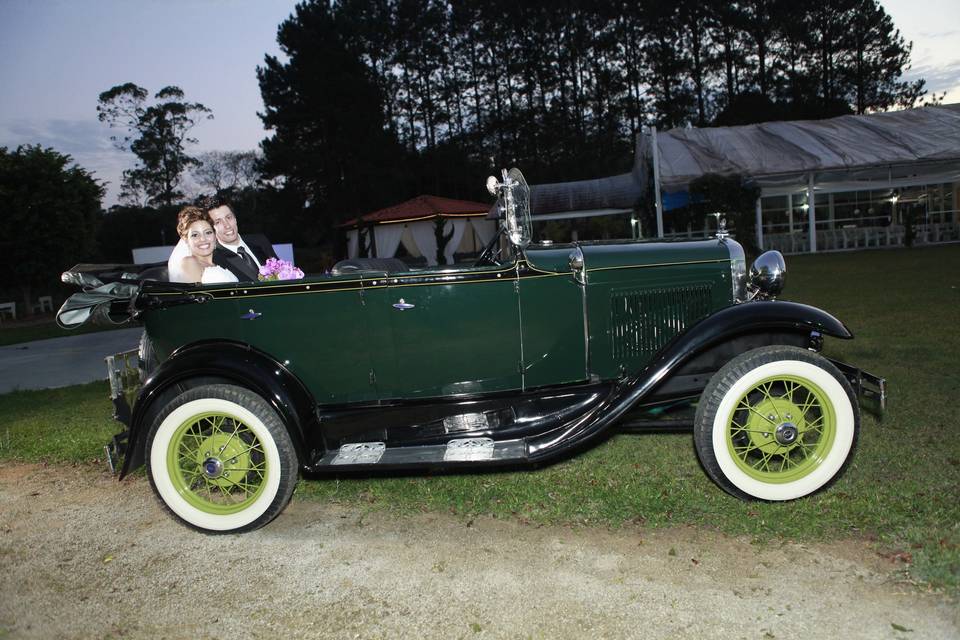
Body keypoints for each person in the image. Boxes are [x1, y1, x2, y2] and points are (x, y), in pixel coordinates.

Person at [206, 200, 277, 281]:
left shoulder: (260, 241)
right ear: (211, 229)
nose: (227, 225)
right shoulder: (215, 259)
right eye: (218, 222)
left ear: (235, 219)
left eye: (229, 217)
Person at [170, 206, 238, 284]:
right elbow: (195, 295)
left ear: (215, 235)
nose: (203, 239)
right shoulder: (189, 262)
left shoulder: (219, 263)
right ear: (186, 240)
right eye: (195, 235)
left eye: (208, 232)